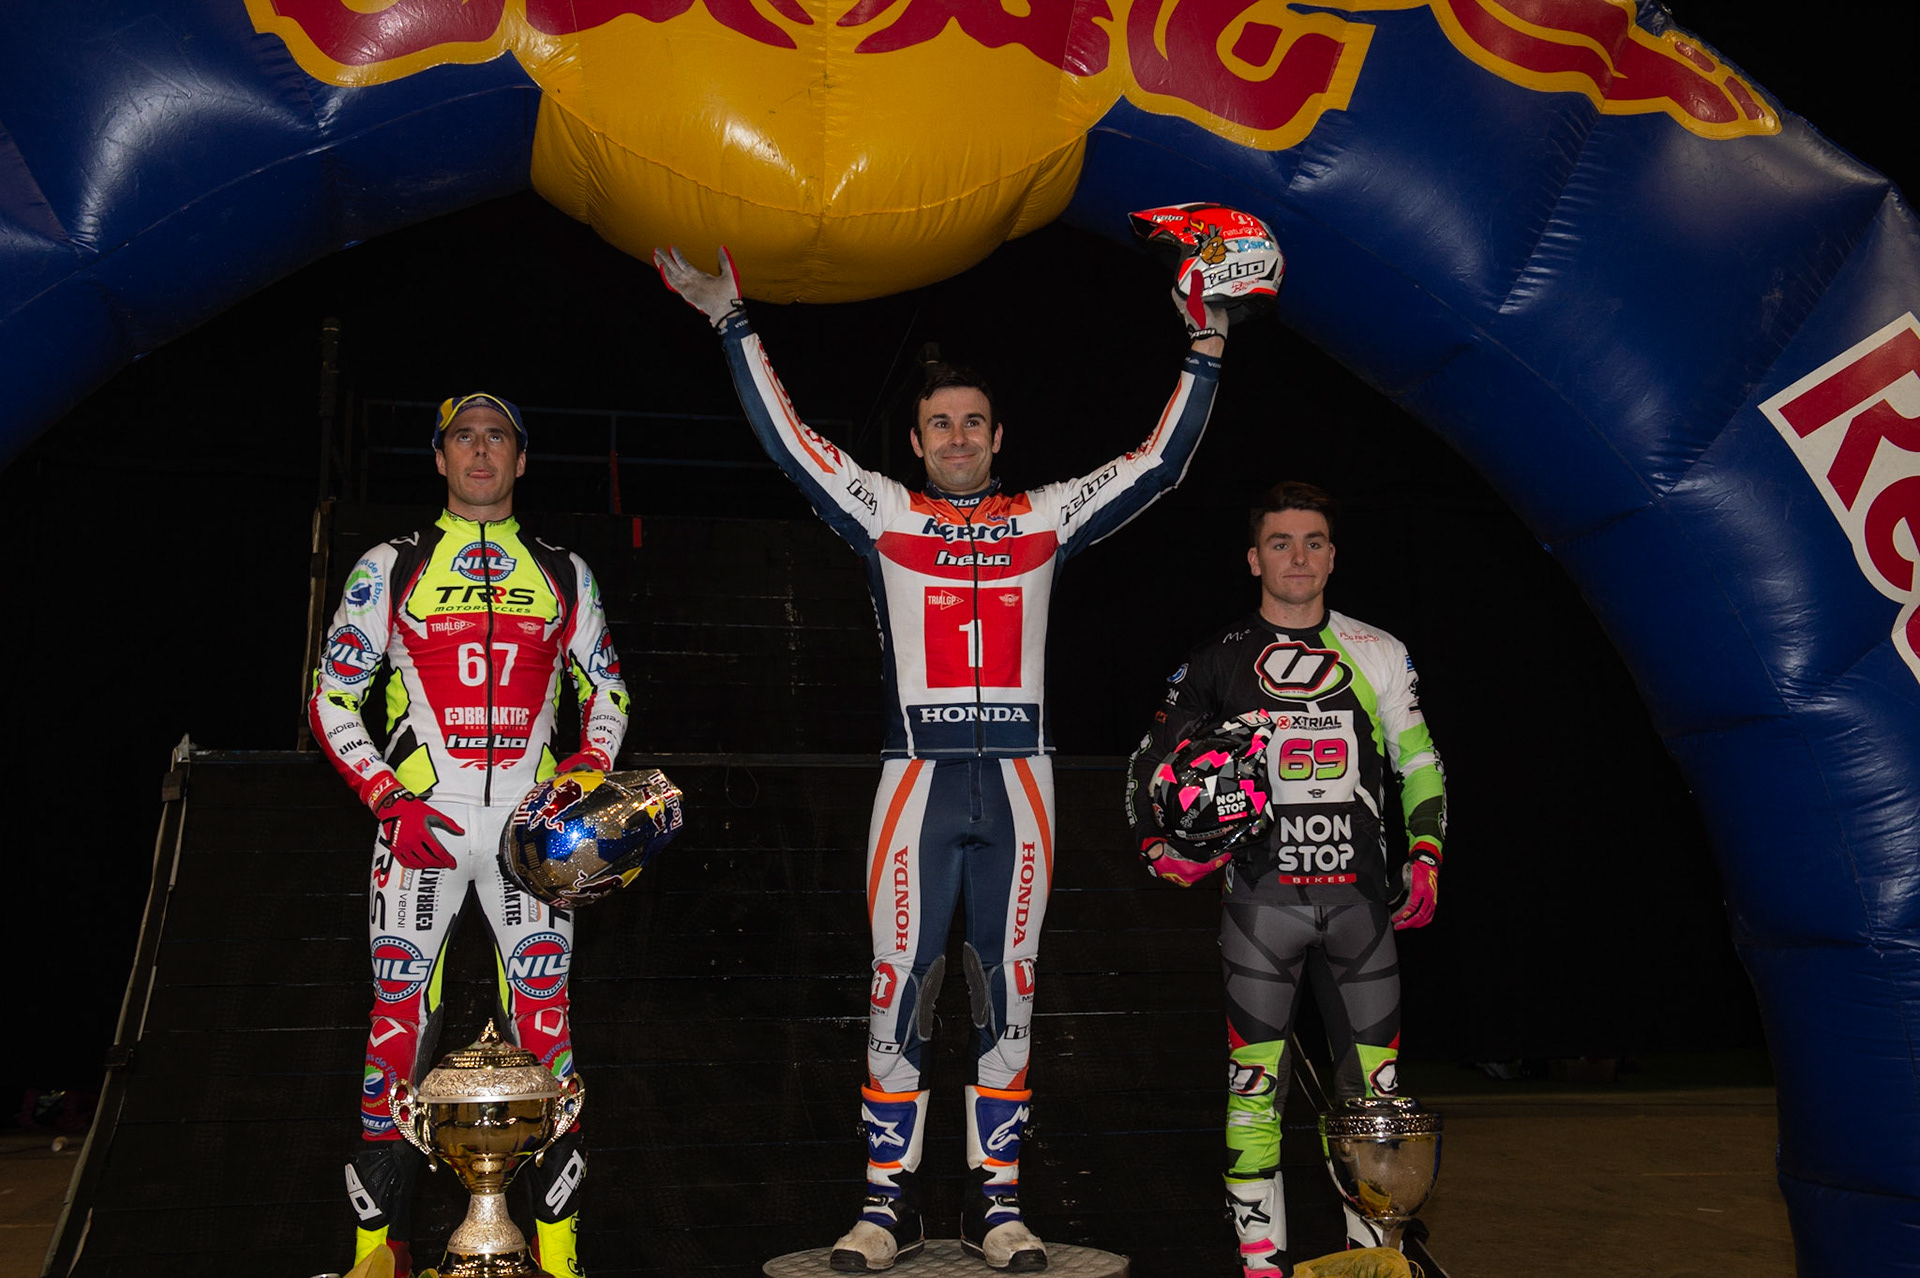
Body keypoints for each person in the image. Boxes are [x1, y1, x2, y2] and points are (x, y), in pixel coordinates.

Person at [654, 244, 1230, 1272]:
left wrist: (1208, 343)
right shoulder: (883, 512)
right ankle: (882, 1211)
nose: (957, 437)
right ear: (916, 445)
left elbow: (1158, 465)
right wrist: (729, 321)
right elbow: (790, 445)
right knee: (900, 987)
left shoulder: (1047, 516)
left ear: (997, 436)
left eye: (973, 421)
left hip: (1021, 785)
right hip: (915, 779)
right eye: (939, 425)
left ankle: (1002, 1209)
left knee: (1009, 988)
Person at [309, 393, 630, 1278]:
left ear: (520, 461)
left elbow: (609, 691)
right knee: (395, 1028)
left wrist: (587, 769)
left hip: (533, 835)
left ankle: (559, 1260)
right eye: (464, 437)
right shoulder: (391, 564)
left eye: (498, 437)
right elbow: (329, 697)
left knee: (550, 1029)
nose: (480, 451)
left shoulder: (564, 570)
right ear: (441, 458)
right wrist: (387, 797)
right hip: (427, 823)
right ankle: (380, 1256)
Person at [1124, 481, 1445, 1278]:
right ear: (1252, 557)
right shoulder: (1214, 659)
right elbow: (1146, 765)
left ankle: (1371, 1263)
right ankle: (1261, 1266)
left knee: (1374, 1103)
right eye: (1279, 542)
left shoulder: (1380, 651)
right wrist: (1160, 849)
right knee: (1252, 1095)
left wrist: (1429, 853)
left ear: (1333, 555)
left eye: (1312, 542)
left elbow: (1420, 761)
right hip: (1260, 911)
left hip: (1359, 911)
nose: (1296, 557)